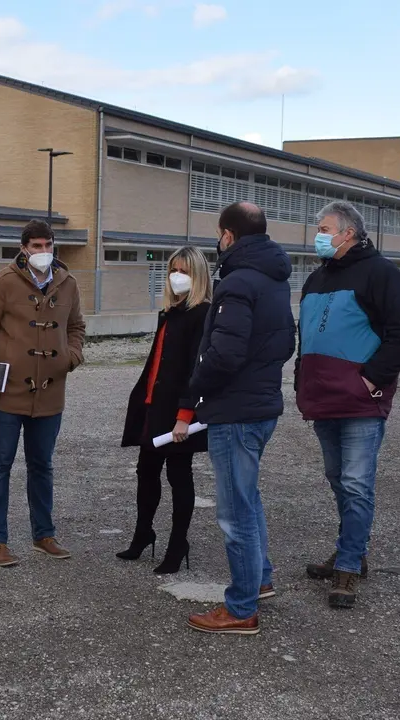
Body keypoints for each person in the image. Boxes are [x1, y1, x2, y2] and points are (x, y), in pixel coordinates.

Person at [296, 201, 400, 609]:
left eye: (324, 227)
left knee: (356, 483)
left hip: (361, 402)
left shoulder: (381, 273)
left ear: (347, 233)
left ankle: (347, 568)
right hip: (322, 399)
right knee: (338, 478)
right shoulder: (315, 279)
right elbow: (308, 338)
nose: (318, 234)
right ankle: (352, 548)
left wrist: (369, 379)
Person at [185, 202, 296, 636]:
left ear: (228, 236)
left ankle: (241, 608)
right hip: (261, 405)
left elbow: (224, 353)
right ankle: (260, 579)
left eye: (219, 234)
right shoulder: (274, 280)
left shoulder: (237, 283)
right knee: (248, 500)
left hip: (235, 411)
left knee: (235, 512)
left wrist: (193, 386)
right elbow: (285, 341)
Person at [0, 218, 86, 567]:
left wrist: (71, 356)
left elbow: (77, 326)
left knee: (42, 466)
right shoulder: (3, 281)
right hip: (6, 393)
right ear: (24, 248)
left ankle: (44, 535)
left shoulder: (68, 283)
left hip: (50, 394)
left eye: (48, 245)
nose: (43, 252)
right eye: (36, 246)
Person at [118, 246, 212, 574]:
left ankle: (177, 543)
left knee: (178, 475)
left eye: (185, 271)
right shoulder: (169, 313)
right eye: (174, 269)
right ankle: (144, 533)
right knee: (146, 472)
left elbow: (196, 371)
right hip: (153, 406)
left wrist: (185, 416)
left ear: (198, 275)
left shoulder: (202, 315)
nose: (177, 276)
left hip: (178, 412)